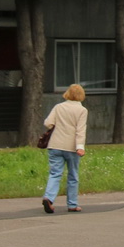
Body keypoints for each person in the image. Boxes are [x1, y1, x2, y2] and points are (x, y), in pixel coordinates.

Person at [41, 83, 88, 214]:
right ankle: (72, 204)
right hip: (71, 147)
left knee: (55, 173)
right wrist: (80, 147)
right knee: (73, 175)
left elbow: (48, 123)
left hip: (55, 145)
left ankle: (48, 198)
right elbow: (80, 130)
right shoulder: (82, 110)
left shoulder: (59, 107)